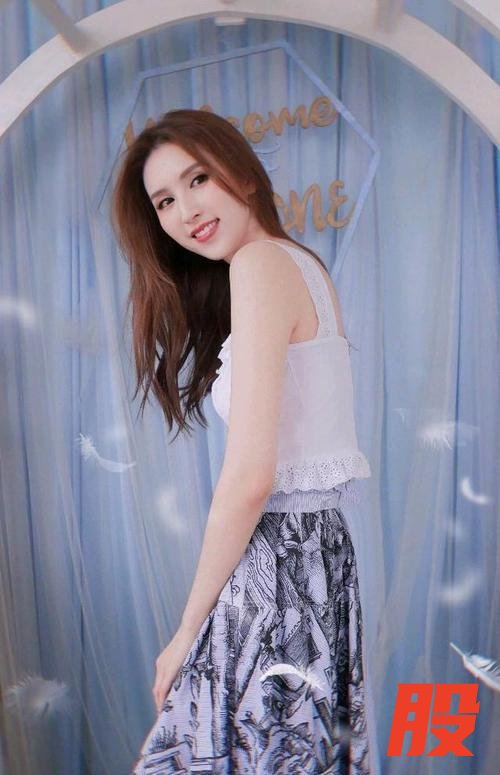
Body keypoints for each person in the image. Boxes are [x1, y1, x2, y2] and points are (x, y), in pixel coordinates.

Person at [111, 108, 372, 774]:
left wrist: (185, 631)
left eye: (198, 178)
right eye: (165, 201)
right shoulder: (298, 263)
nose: (186, 211)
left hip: (278, 567)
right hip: (317, 560)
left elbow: (251, 477)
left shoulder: (261, 263)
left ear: (243, 174)